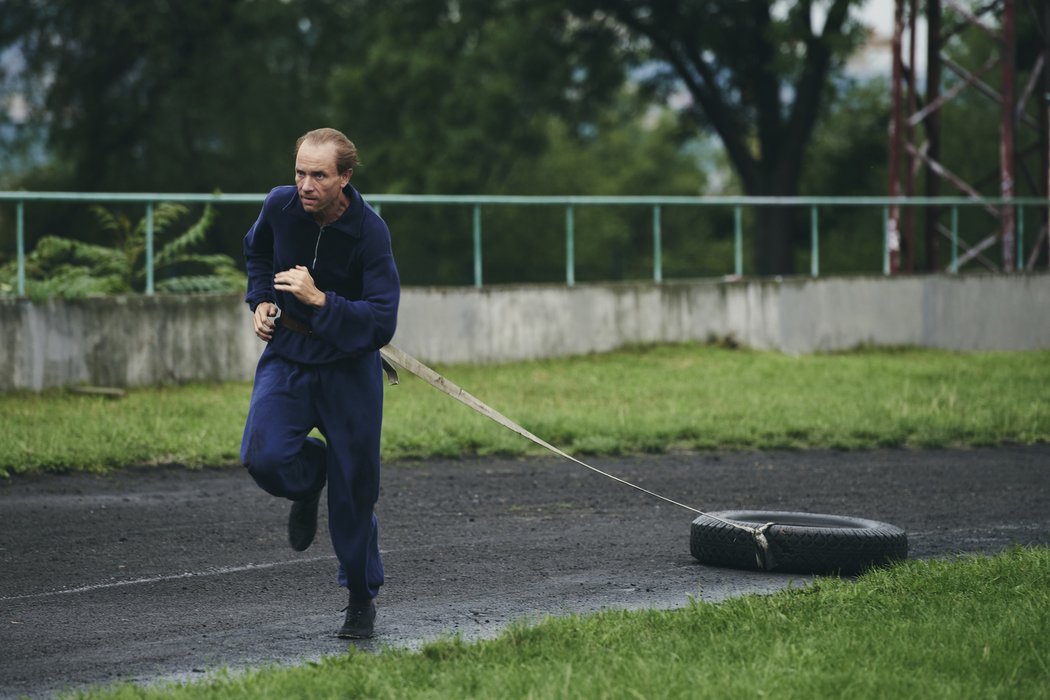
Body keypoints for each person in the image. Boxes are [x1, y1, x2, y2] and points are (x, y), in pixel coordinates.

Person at [240, 127, 400, 639]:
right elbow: (258, 257)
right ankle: (310, 483)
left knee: (356, 490)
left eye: (319, 175)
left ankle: (360, 598)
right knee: (263, 456)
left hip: (349, 366)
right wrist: (262, 301)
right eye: (299, 173)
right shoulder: (278, 205)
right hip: (288, 354)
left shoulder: (371, 232)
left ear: (345, 178)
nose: (305, 185)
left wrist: (320, 300)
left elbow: (382, 321)